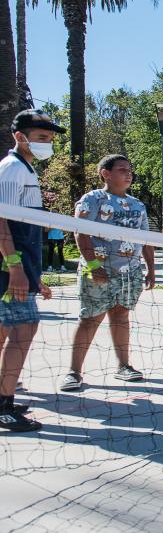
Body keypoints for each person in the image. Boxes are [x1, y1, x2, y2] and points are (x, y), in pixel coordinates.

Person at [59, 155, 155, 392]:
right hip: (98, 272)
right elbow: (80, 232)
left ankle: (124, 366)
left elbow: (147, 240)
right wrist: (93, 266)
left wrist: (151, 269)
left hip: (129, 273)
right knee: (90, 319)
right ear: (105, 173)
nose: (128, 174)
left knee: (121, 317)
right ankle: (74, 372)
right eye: (122, 169)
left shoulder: (137, 205)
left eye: (130, 170)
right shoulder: (93, 199)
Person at [0, 109, 61, 432]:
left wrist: (34, 274)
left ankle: (4, 396)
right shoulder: (12, 169)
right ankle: (3, 405)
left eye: (49, 139)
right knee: (24, 328)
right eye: (41, 138)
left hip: (22, 266)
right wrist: (15, 269)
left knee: (8, 331)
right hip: (10, 268)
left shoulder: (25, 169)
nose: (46, 144)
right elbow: (1, 220)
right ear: (19, 137)